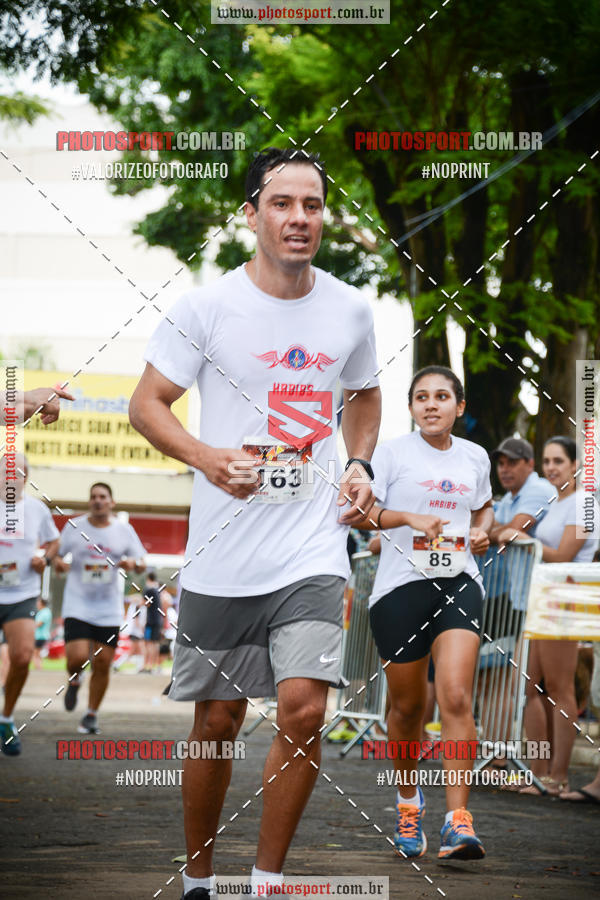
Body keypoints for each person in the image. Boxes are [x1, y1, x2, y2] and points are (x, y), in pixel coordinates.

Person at [129, 146, 381, 900]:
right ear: (250, 214)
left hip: (310, 548)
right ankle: (200, 879)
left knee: (304, 709)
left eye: (311, 205)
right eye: (281, 203)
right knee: (217, 721)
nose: (298, 218)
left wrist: (360, 462)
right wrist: (206, 457)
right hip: (223, 554)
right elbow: (146, 404)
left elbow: (364, 395)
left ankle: (267, 882)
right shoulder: (207, 308)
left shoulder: (349, 308)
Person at [355, 365, 493, 860]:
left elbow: (484, 509)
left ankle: (460, 822)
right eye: (420, 397)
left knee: (455, 695)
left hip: (458, 582)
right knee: (410, 708)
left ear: (460, 406)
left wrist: (482, 530)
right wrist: (408, 516)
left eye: (441, 397)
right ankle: (409, 805)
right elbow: (363, 513)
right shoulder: (392, 453)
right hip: (400, 590)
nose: (430, 404)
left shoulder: (475, 456)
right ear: (411, 407)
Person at [502, 436, 599, 795]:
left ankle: (558, 776)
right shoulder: (554, 501)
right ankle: (539, 771)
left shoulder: (584, 504)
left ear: (575, 465)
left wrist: (524, 540)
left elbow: (562, 555)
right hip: (542, 600)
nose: (551, 467)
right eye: (546, 461)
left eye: (559, 460)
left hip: (566, 601)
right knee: (525, 688)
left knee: (560, 690)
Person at [53, 483, 146, 734]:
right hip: (77, 603)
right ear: (89, 501)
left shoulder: (123, 530)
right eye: (93, 497)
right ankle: (75, 680)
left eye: (102, 497)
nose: (97, 501)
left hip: (108, 608)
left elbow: (141, 562)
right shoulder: (75, 527)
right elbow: (56, 555)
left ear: (111, 502)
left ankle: (91, 714)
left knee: (103, 662)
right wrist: (59, 564)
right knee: (77, 658)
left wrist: (132, 563)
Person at [0, 454, 59, 754]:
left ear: (26, 477)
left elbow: (54, 541)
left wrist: (44, 559)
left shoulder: (37, 509)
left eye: (19, 472)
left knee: (22, 657)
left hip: (21, 593)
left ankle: (6, 717)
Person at [489, 437, 555, 544]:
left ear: (530, 464)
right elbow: (492, 526)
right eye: (501, 463)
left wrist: (481, 535)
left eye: (512, 463)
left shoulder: (539, 489)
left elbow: (514, 530)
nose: (504, 470)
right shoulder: (509, 497)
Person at [141, 571, 163, 674]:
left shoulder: (148, 590)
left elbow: (146, 603)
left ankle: (147, 666)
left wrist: (138, 601)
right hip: (158, 620)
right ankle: (154, 666)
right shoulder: (158, 590)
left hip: (150, 621)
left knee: (148, 643)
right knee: (155, 643)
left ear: (148, 578)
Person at [33, 598, 52, 669]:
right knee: (38, 654)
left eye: (38, 602)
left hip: (40, 636)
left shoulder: (45, 612)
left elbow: (39, 624)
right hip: (40, 636)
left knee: (35, 654)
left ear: (41, 603)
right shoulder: (42, 611)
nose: (37, 604)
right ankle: (40, 669)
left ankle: (38, 669)